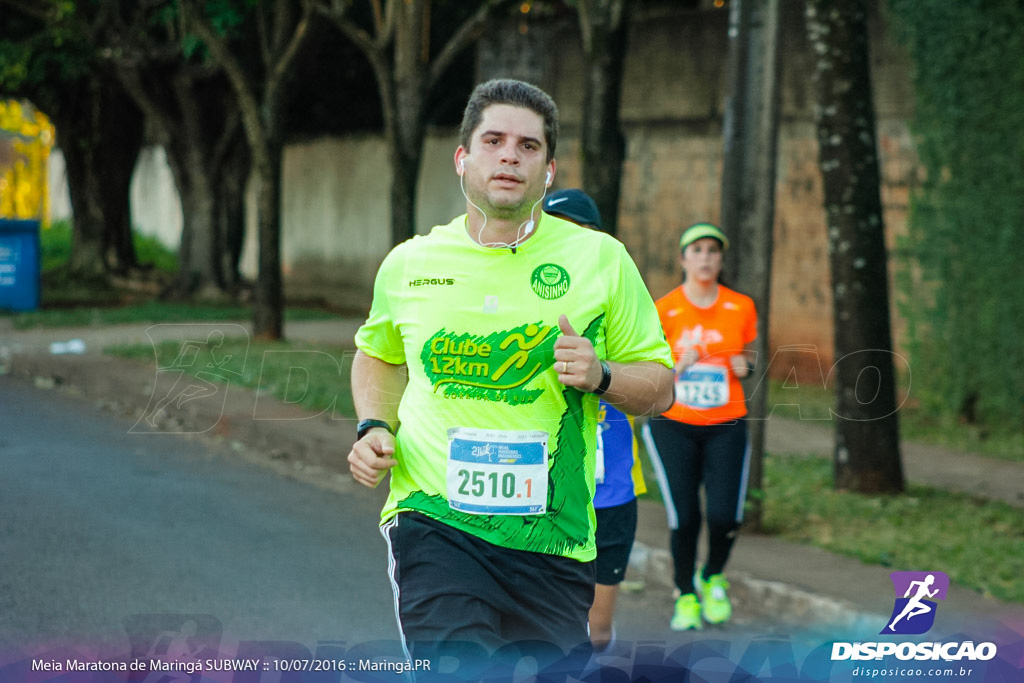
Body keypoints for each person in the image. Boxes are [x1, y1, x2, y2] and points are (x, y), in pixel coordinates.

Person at [346, 80, 675, 662]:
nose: (509, 156)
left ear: (548, 169)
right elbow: (379, 354)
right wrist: (374, 425)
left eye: (528, 147)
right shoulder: (410, 264)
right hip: (434, 518)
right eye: (493, 141)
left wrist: (602, 376)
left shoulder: (601, 260)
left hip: (553, 535)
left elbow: (661, 389)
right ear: (462, 159)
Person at [543, 188, 647, 652]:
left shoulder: (621, 308)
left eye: (575, 231)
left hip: (611, 497)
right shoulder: (525, 309)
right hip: (544, 498)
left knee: (596, 632)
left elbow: (654, 392)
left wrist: (603, 376)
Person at [641, 223, 758, 631]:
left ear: (720, 260)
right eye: (698, 250)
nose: (706, 257)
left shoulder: (740, 306)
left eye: (713, 250)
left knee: (726, 515)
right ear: (683, 259)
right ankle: (685, 594)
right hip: (674, 423)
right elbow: (648, 370)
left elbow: (746, 357)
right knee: (685, 515)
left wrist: (746, 365)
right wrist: (677, 364)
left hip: (726, 423)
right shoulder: (663, 308)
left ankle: (713, 577)